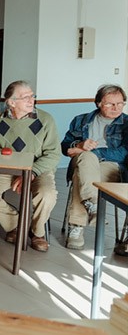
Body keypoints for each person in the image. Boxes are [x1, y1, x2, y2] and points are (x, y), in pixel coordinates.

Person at [0, 80, 60, 252]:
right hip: (8, 168)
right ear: (11, 102)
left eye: (32, 96)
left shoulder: (46, 119)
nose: (31, 100)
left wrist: (32, 172)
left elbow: (53, 154)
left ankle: (37, 232)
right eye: (25, 97)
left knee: (47, 194)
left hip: (38, 169)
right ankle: (15, 224)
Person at [60, 84, 127, 250]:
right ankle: (92, 204)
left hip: (112, 166)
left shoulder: (127, 124)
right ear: (98, 103)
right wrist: (79, 145)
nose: (116, 108)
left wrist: (94, 152)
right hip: (83, 162)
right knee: (85, 161)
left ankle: (77, 227)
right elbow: (65, 146)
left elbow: (124, 153)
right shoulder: (81, 120)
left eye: (120, 103)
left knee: (80, 173)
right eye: (110, 104)